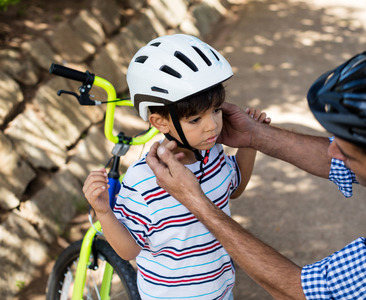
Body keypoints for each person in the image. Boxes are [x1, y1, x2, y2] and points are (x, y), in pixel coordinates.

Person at [146, 46, 366, 300]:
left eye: (347, 152)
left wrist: (197, 202)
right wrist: (255, 136)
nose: (332, 152)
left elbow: (301, 291)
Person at [82, 34, 270, 300]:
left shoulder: (211, 153)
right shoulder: (144, 180)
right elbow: (128, 250)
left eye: (216, 110)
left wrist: (250, 142)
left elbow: (234, 187)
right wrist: (103, 210)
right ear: (160, 123)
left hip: (221, 290)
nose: (212, 126)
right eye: (195, 119)